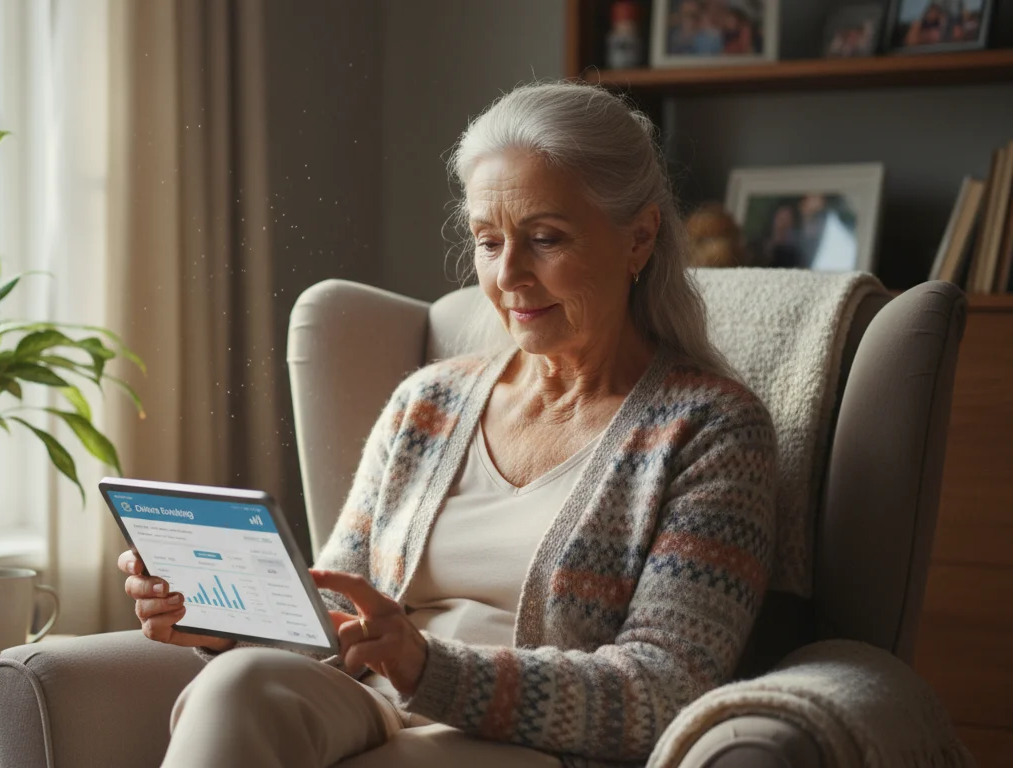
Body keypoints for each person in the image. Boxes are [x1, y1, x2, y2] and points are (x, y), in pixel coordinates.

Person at [120, 80, 778, 767]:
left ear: (639, 237)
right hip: (373, 703)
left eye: (545, 239)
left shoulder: (712, 432)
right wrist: (217, 612)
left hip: (534, 742)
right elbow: (333, 612)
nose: (509, 275)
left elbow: (665, 691)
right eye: (488, 241)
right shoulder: (428, 404)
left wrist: (428, 668)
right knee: (237, 683)